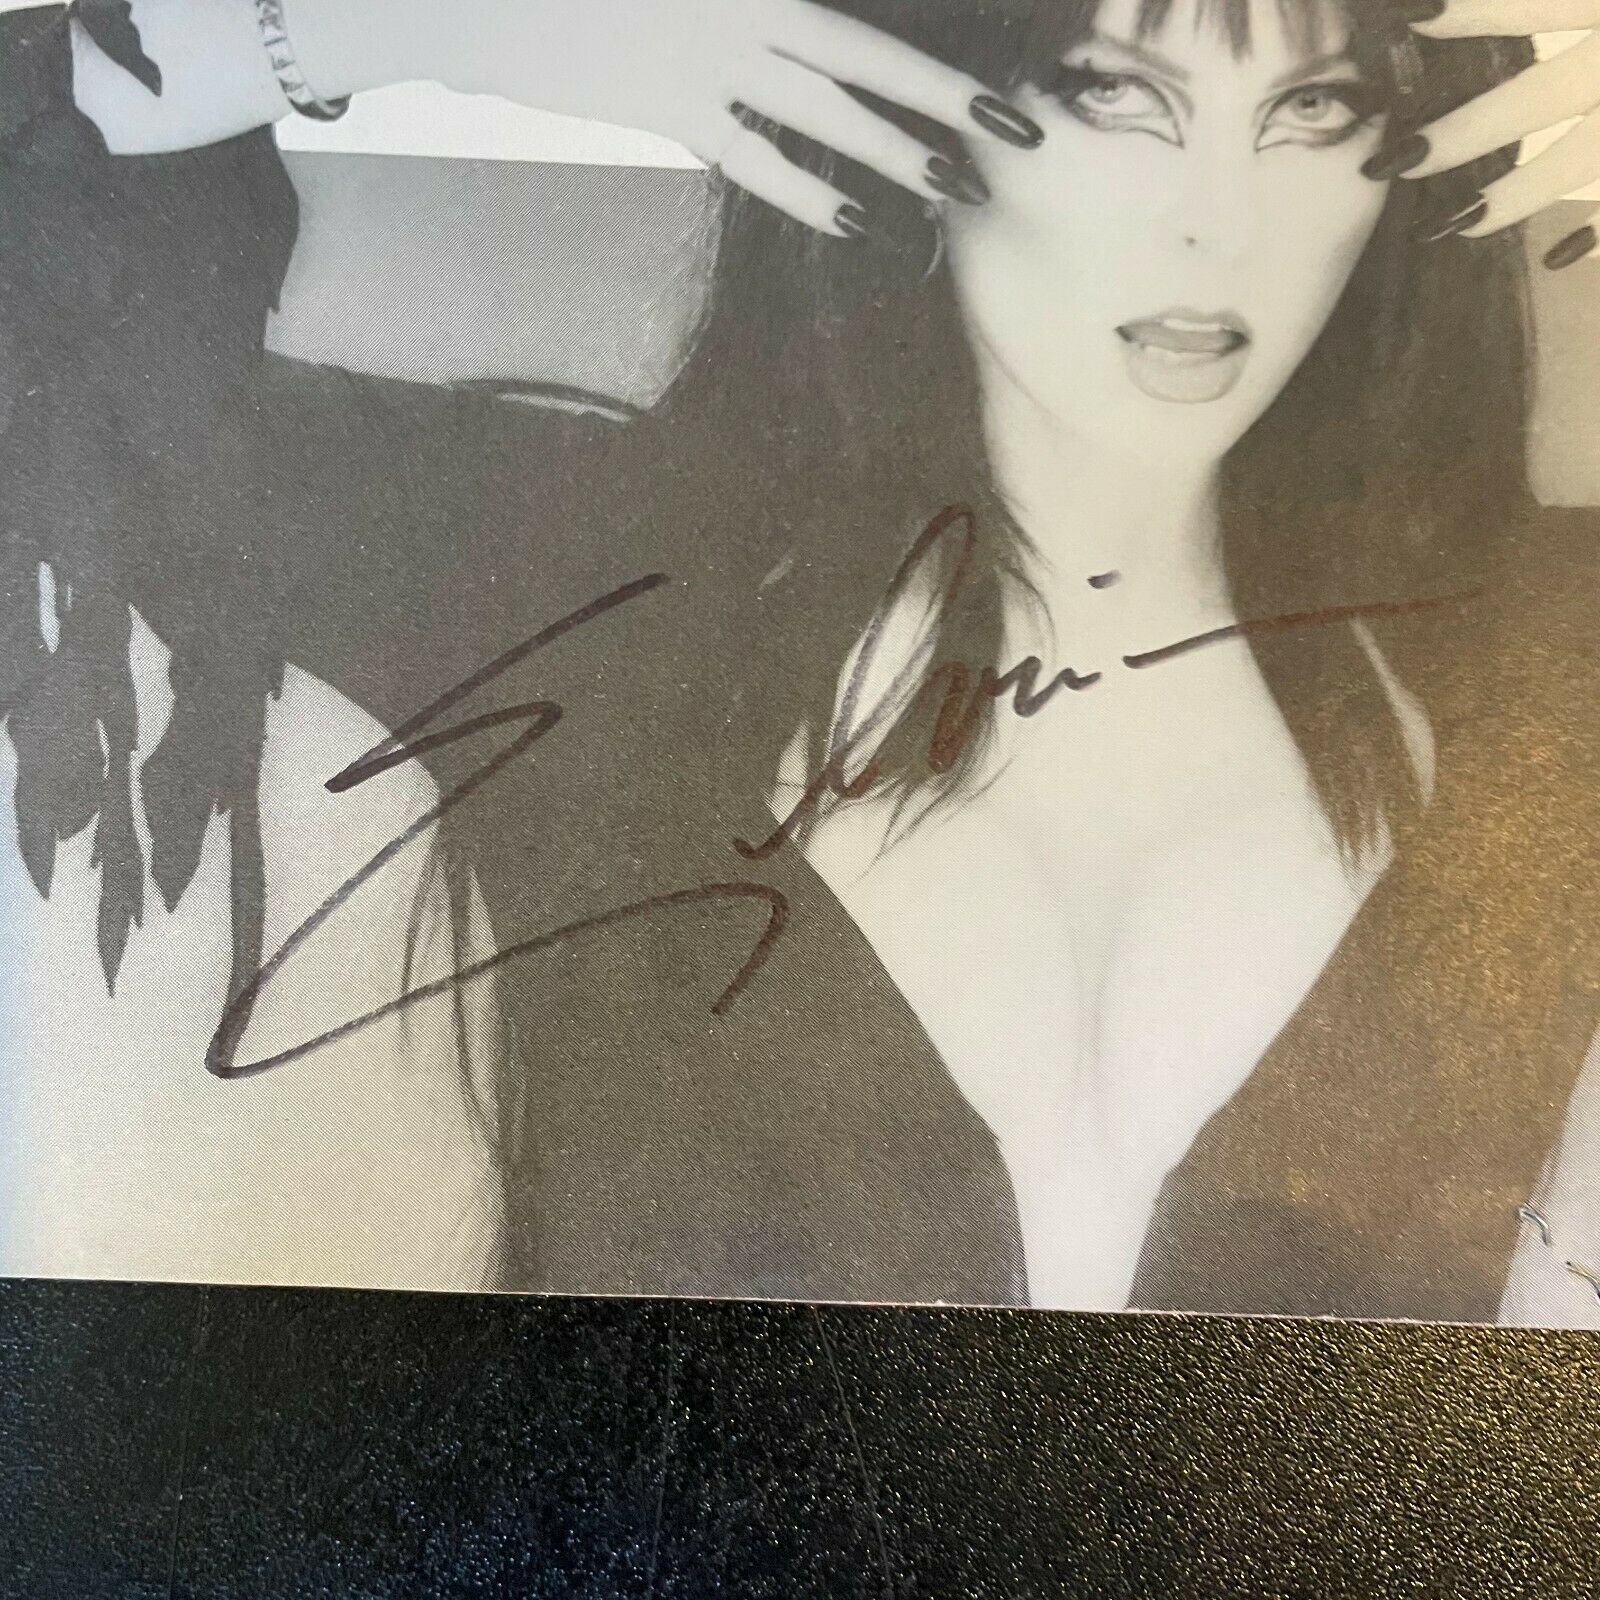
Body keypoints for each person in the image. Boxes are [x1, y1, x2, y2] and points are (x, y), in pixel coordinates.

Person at [2, 0, 1596, 1320]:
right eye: (1113, 95)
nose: (1217, 221)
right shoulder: (577, 585)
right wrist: (478, 26)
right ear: (887, 93)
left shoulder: (1551, 671)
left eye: (1315, 112)